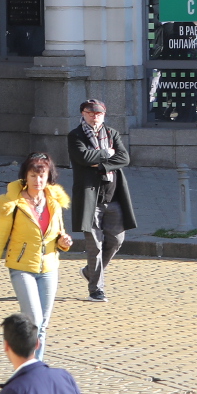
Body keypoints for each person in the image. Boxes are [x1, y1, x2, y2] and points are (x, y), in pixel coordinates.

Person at [0, 152, 72, 341]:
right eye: (33, 176)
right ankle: (26, 363)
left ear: (48, 176)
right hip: (22, 268)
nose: (37, 181)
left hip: (49, 268)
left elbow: (59, 234)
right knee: (34, 320)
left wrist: (64, 243)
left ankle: (34, 368)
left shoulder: (54, 201)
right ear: (25, 176)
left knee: (43, 324)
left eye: (41, 176)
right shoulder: (12, 204)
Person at [66, 98, 133, 302]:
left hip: (113, 196)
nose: (95, 117)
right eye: (90, 113)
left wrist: (101, 164)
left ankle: (90, 271)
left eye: (99, 113)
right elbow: (83, 158)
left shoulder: (112, 133)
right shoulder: (75, 135)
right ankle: (96, 289)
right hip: (90, 198)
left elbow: (124, 158)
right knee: (94, 245)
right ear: (83, 114)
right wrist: (107, 154)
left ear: (104, 115)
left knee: (116, 240)